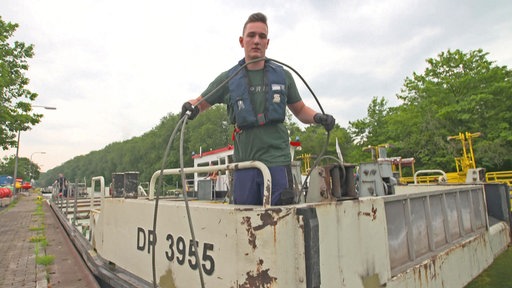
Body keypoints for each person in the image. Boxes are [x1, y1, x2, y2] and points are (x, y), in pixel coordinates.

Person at [180, 12, 335, 206]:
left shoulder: (284, 75)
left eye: (262, 37)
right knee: (245, 221)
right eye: (251, 35)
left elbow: (300, 110)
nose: (256, 41)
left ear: (267, 42)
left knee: (281, 218)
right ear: (241, 41)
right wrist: (190, 108)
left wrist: (319, 118)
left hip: (277, 161)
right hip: (245, 164)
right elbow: (201, 102)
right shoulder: (228, 78)